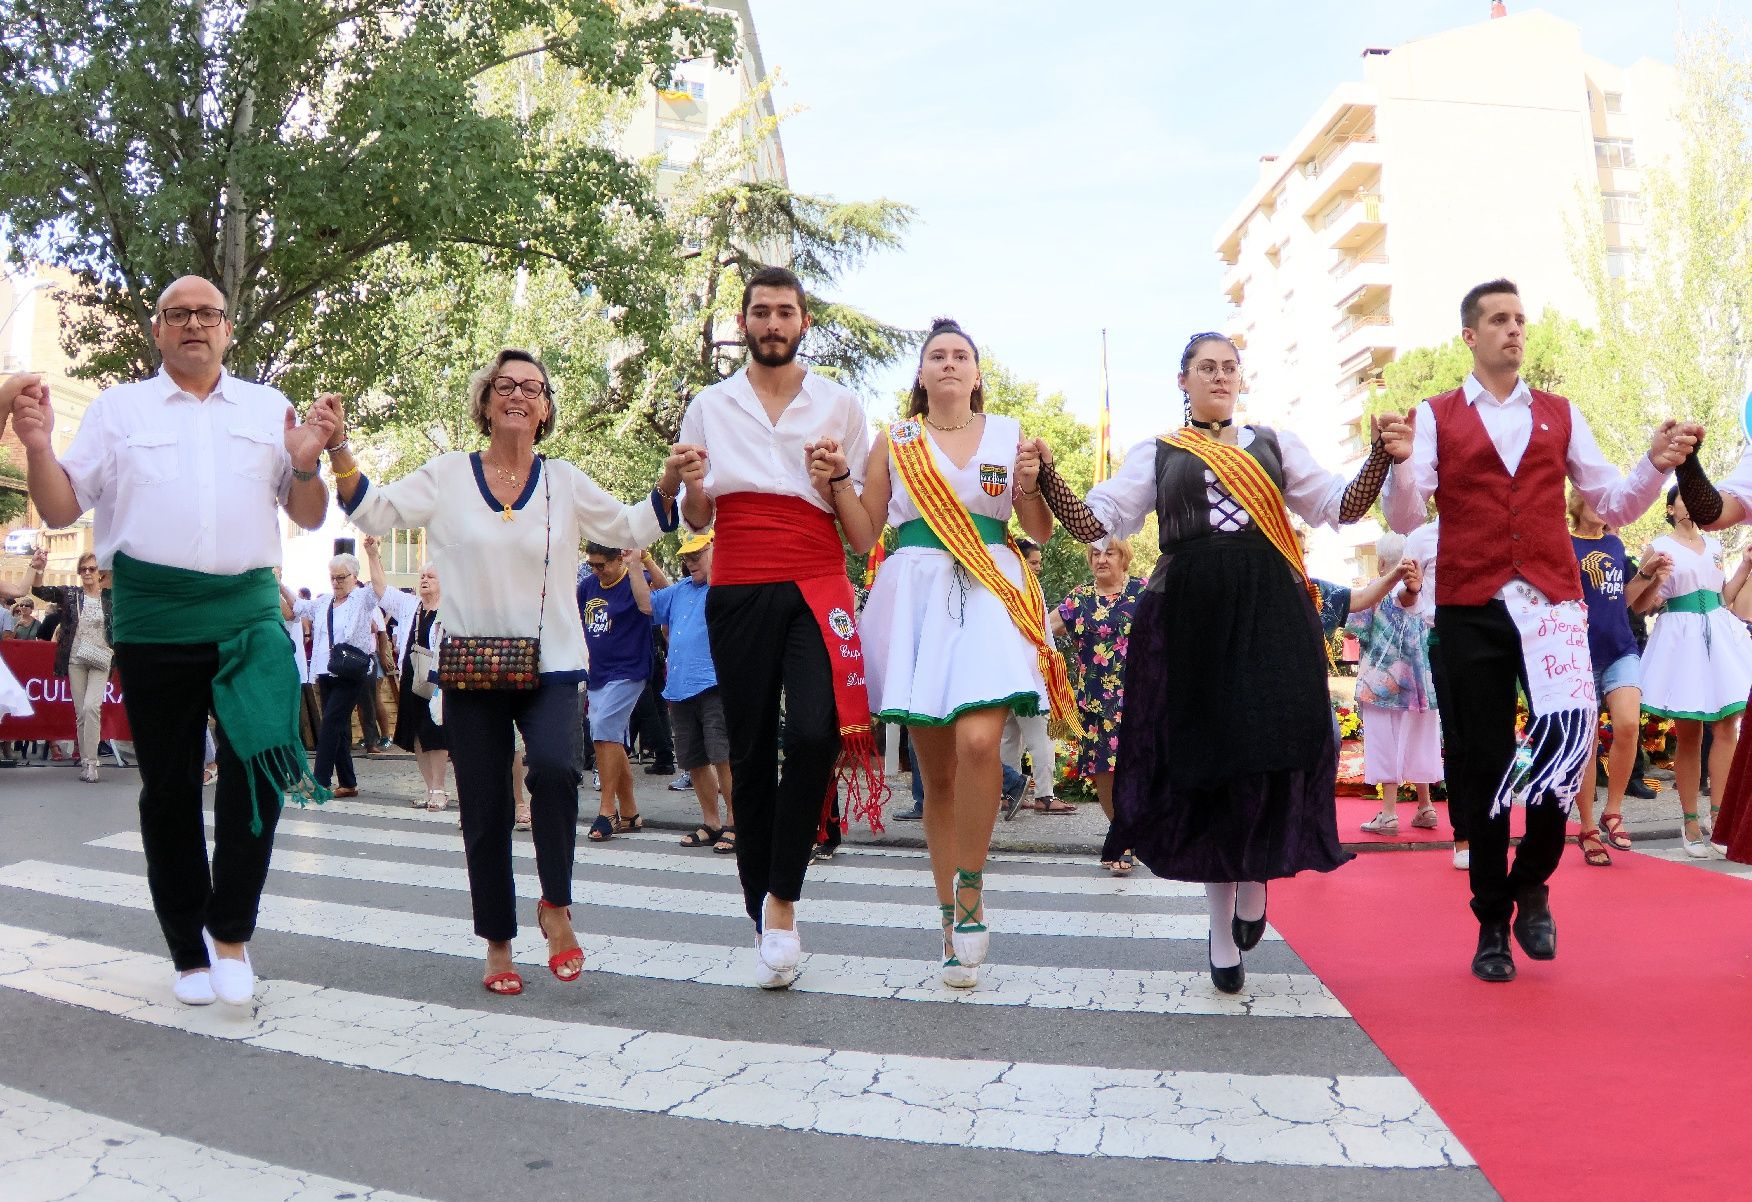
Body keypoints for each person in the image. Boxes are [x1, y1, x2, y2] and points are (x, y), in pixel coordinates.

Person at [1037, 329, 1403, 993]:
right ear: (1184, 381)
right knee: (1204, 765)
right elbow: (1096, 524)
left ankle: (1257, 879)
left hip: (1269, 608)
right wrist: (1050, 479)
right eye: (1206, 368)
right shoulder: (1158, 452)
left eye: (1229, 368)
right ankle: (1217, 925)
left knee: (1272, 747)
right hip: (1191, 613)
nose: (1220, 377)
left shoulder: (1273, 443)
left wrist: (1377, 455)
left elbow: (1340, 508)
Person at [8, 277, 336, 1007]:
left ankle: (231, 935)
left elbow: (308, 515)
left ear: (227, 328)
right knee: (170, 789)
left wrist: (309, 458)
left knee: (257, 774)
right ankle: (188, 948)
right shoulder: (118, 409)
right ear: (157, 330)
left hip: (248, 615)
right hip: (155, 619)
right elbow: (63, 505)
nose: (194, 324)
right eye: (178, 314)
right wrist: (37, 445)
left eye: (207, 314)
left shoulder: (267, 407)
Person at [324, 348, 685, 995]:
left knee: (552, 768)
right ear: (486, 402)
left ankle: (556, 906)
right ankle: (498, 941)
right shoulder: (448, 476)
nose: (518, 395)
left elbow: (631, 525)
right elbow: (373, 511)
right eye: (505, 386)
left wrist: (666, 483)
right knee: (485, 807)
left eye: (533, 388)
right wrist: (341, 448)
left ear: (545, 408)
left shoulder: (565, 481)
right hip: (472, 664)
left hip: (553, 662)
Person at [1380, 278, 1697, 983]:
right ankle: (1492, 919)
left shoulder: (1559, 412)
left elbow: (1609, 499)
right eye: (1498, 319)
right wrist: (1402, 464)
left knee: (1565, 751)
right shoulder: (1434, 416)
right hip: (1470, 607)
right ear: (1470, 335)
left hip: (1551, 606)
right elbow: (1406, 518)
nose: (1513, 329)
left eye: (1520, 319)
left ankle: (1533, 881)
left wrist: (1654, 463)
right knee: (1486, 768)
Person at [824, 317, 1065, 988]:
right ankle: (945, 911)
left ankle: (971, 888)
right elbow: (864, 531)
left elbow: (1037, 527)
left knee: (982, 742)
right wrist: (839, 482)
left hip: (990, 588)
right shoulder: (893, 441)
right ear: (922, 374)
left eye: (962, 355)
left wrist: (1035, 482)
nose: (951, 364)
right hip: (919, 593)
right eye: (938, 356)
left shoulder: (1012, 435)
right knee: (937, 775)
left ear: (977, 374)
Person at [676, 265, 884, 991]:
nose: (771, 324)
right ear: (743, 323)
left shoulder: (841, 407)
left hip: (817, 577)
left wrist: (833, 480)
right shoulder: (709, 405)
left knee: (816, 732)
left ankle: (785, 898)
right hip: (737, 580)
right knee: (752, 744)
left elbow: (862, 535)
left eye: (784, 312)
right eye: (760, 312)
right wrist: (690, 483)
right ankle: (759, 906)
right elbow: (697, 517)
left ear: (804, 324)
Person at [1630, 488, 1752, 858]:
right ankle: (1690, 821)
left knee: (1728, 725)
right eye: (1685, 498)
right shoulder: (1659, 546)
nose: (1694, 503)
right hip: (1680, 637)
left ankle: (1721, 818)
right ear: (1671, 507)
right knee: (1690, 733)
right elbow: (1642, 606)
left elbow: (1727, 596)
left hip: (1719, 633)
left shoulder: (1714, 545)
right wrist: (1653, 577)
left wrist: (1745, 565)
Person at [1570, 491, 1660, 863]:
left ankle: (1613, 811)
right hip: (1578, 652)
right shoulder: (1564, 542)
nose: (1600, 505)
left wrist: (1649, 575)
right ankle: (1588, 826)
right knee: (1586, 741)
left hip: (1621, 647)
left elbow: (1629, 602)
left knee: (1627, 726)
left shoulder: (1614, 543)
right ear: (1576, 502)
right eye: (1592, 498)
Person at [1049, 542, 1145, 871]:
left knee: (1136, 769)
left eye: (1109, 553)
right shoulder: (1079, 598)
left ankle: (1127, 838)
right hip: (1096, 702)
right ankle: (1122, 834)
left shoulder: (1143, 593)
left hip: (1140, 698)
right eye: (1095, 554)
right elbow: (1043, 631)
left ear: (1124, 557)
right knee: (1103, 770)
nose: (1101, 559)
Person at [1346, 535, 1442, 835]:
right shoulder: (1425, 594)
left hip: (1382, 685)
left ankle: (1388, 813)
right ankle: (1425, 807)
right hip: (1422, 684)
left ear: (1381, 564)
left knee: (1385, 744)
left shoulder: (1376, 594)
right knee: (1420, 742)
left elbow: (1352, 633)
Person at [651, 530, 736, 854]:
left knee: (722, 757)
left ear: (714, 550)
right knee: (695, 759)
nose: (690, 562)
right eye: (686, 557)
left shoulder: (724, 583)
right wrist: (638, 561)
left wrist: (716, 562)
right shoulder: (682, 589)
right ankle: (712, 821)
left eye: (697, 555)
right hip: (681, 687)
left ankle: (736, 823)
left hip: (714, 684)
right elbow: (648, 604)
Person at [578, 544, 665, 842]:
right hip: (598, 672)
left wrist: (647, 560)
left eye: (602, 565)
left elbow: (667, 596)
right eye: (592, 565)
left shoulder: (635, 578)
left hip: (630, 668)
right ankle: (629, 812)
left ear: (619, 560)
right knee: (609, 737)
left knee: (604, 732)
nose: (597, 571)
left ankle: (607, 811)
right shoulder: (588, 586)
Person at [363, 537, 451, 811]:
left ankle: (440, 789)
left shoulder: (450, 608)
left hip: (438, 682)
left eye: (431, 576)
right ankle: (428, 788)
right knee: (417, 736)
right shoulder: (410, 605)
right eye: (422, 576)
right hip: (412, 680)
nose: (424, 580)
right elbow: (380, 589)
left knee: (435, 733)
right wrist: (373, 555)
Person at [290, 553, 382, 799]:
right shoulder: (325, 602)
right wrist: (278, 583)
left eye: (341, 577)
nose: (336, 582)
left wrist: (373, 556)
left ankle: (320, 781)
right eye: (333, 577)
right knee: (338, 726)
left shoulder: (361, 598)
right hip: (325, 670)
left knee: (330, 723)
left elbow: (379, 587)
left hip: (350, 671)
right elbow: (299, 606)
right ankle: (348, 782)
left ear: (354, 577)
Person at [26, 547, 114, 782]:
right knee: (81, 713)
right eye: (83, 569)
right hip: (75, 658)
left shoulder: (110, 597)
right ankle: (86, 762)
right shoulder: (72, 595)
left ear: (101, 573)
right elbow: (40, 591)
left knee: (91, 707)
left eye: (92, 569)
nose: (87, 572)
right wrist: (39, 569)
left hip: (102, 659)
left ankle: (93, 762)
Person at [1004, 538, 1071, 816]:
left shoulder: (1000, 587)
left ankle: (1010, 794)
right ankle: (1045, 795)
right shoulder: (1027, 592)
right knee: (1040, 737)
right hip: (1031, 674)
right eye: (1033, 562)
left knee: (1009, 737)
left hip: (1004, 675)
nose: (1038, 569)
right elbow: (1044, 635)